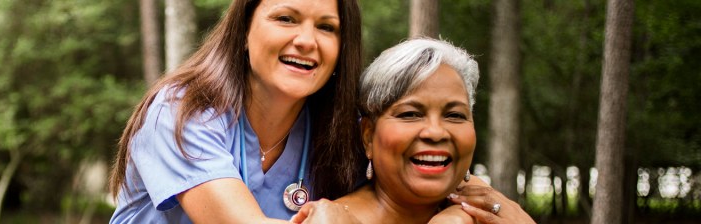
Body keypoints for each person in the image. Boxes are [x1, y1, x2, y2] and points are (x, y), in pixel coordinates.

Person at [107, 0, 364, 222]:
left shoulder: (345, 132)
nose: (307, 41)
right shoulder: (179, 110)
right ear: (243, 31)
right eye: (286, 19)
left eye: (326, 27)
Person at [290, 38, 536, 223]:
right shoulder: (330, 220)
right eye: (410, 114)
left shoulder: (497, 215)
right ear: (368, 137)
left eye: (454, 115)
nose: (436, 132)